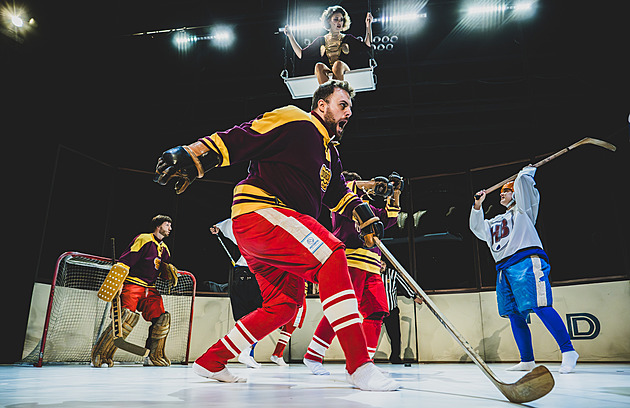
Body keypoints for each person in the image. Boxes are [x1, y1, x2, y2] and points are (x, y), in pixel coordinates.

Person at [154, 80, 399, 391]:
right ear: (321, 105)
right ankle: (359, 367)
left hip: (269, 230)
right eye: (343, 104)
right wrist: (196, 154)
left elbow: (337, 194)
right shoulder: (297, 120)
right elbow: (245, 135)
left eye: (351, 107)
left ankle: (211, 361)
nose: (349, 111)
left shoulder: (330, 155)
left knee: (283, 306)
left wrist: (363, 213)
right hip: (262, 212)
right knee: (332, 253)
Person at [470, 166, 579, 374]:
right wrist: (477, 205)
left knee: (540, 305)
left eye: (507, 190)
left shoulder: (524, 211)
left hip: (525, 260)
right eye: (501, 191)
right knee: (514, 314)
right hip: (503, 268)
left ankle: (568, 351)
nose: (502, 193)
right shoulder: (494, 221)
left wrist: (524, 174)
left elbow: (525, 189)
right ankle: (527, 359)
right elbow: (477, 228)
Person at [303, 170, 401, 375]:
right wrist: (372, 184)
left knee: (377, 310)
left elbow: (389, 220)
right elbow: (348, 186)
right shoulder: (343, 204)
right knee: (341, 309)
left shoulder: (368, 207)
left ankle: (365, 362)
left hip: (372, 265)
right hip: (350, 260)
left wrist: (395, 192)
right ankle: (313, 354)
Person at [91, 215, 178, 367]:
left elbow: (163, 270)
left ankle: (153, 357)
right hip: (133, 284)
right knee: (125, 319)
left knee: (162, 319)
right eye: (167, 225)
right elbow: (126, 261)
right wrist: (118, 283)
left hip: (150, 289)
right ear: (158, 226)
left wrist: (168, 273)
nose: (170, 228)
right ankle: (101, 355)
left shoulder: (164, 249)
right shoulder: (144, 239)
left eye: (170, 225)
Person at [210, 219, 263, 369]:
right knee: (258, 318)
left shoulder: (242, 227)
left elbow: (229, 224)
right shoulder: (264, 231)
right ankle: (246, 352)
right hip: (254, 274)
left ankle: (247, 354)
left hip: (239, 274)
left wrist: (218, 227)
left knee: (242, 318)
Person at [285, 5, 373, 84]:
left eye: (341, 20)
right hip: (328, 74)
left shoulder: (348, 38)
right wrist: (290, 36)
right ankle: (327, 93)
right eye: (336, 19)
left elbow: (367, 46)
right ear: (329, 21)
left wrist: (368, 25)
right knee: (318, 66)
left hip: (344, 71)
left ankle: (337, 91)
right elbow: (301, 54)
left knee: (338, 65)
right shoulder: (321, 40)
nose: (339, 22)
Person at [380, 260, 423, 364]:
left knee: (395, 335)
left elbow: (404, 286)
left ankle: (395, 357)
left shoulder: (393, 274)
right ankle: (367, 359)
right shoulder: (371, 274)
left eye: (383, 264)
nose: (381, 266)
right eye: (379, 263)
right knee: (370, 335)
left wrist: (413, 296)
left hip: (391, 310)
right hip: (376, 310)